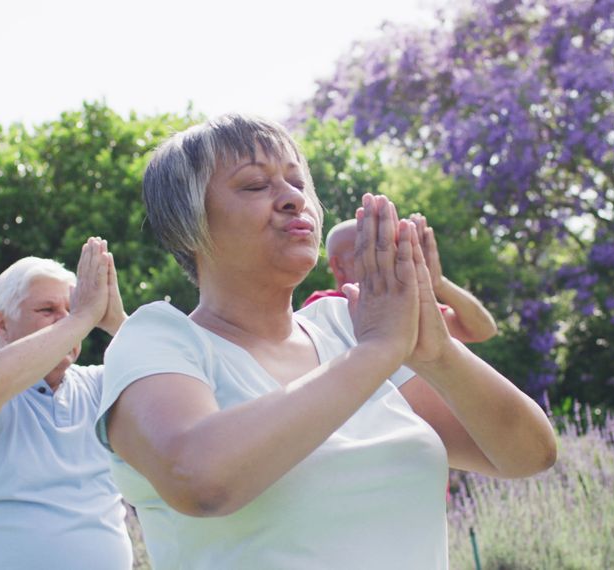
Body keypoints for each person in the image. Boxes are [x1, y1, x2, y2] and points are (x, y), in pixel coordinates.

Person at [97, 114, 556, 569]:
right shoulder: (158, 341)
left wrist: (438, 354)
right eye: (256, 185)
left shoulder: (346, 325)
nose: (293, 199)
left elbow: (529, 454)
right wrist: (376, 351)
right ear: (188, 221)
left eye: (297, 182)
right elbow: (200, 480)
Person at [0, 238, 133, 570]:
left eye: (70, 309)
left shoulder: (98, 383)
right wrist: (81, 316)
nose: (67, 322)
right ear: (0, 322)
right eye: (47, 310)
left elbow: (183, 386)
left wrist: (116, 320)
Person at [305, 217, 499, 343]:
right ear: (339, 266)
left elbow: (483, 330)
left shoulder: (406, 304)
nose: (387, 256)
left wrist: (438, 283)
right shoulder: (321, 308)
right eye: (372, 249)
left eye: (389, 247)